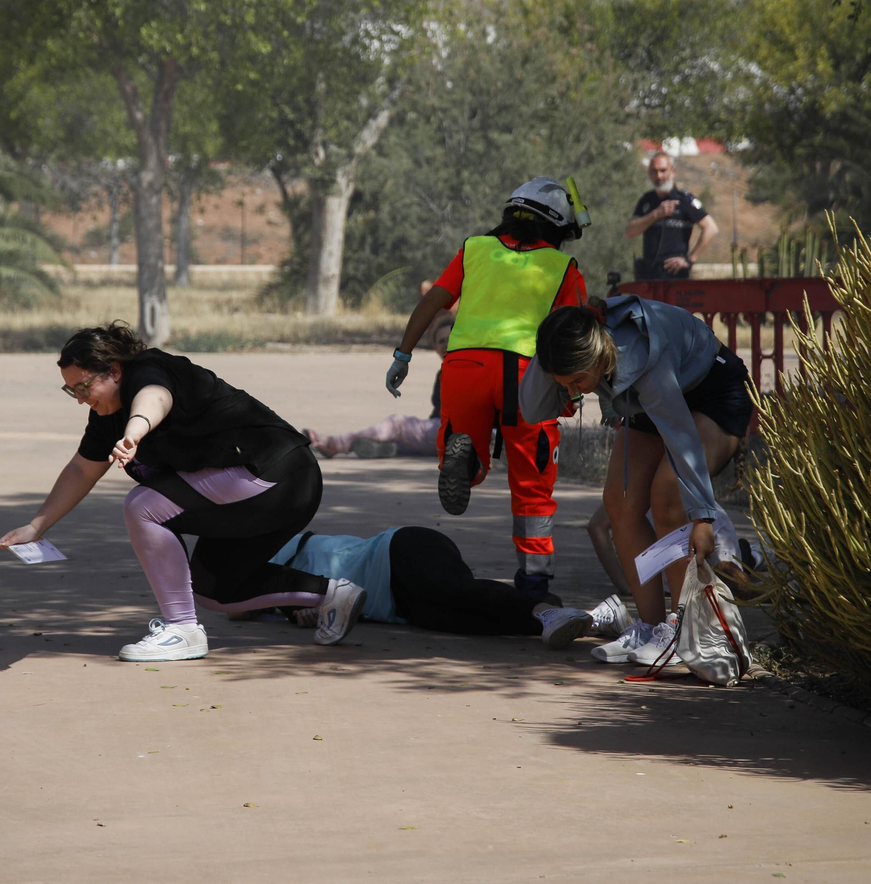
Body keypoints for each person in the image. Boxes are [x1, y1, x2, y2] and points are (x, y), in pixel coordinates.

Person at [0, 323, 368, 662]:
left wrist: (135, 431)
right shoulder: (104, 417)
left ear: (113, 370)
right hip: (265, 493)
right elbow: (81, 469)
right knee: (214, 588)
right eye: (70, 390)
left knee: (143, 507)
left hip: (279, 474)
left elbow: (155, 397)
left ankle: (182, 631)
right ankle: (334, 594)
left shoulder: (148, 369)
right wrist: (36, 526)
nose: (79, 397)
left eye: (83, 386)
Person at [521, 298, 752, 667]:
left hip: (714, 394)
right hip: (645, 401)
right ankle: (650, 626)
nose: (572, 392)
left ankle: (681, 632)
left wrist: (704, 517)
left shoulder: (644, 360)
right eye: (562, 384)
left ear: (598, 358)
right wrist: (546, 349)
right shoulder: (586, 348)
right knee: (620, 502)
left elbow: (680, 437)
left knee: (667, 497)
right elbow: (532, 409)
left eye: (577, 381)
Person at [387, 177, 589, 599]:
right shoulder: (562, 268)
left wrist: (403, 356)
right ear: (555, 228)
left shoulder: (473, 249)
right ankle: (534, 582)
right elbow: (574, 334)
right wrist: (571, 391)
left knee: (463, 451)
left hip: (464, 367)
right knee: (532, 480)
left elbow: (431, 303)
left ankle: (467, 463)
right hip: (525, 374)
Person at [242, 526, 631, 649]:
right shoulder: (275, 594)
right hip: (398, 606)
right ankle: (592, 618)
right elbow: (241, 603)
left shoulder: (287, 548)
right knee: (469, 621)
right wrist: (304, 613)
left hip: (400, 549)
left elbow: (239, 597)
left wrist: (297, 605)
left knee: (455, 594)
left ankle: (547, 611)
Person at [306, 310, 453, 458]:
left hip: (457, 432)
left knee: (397, 425)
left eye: (450, 339)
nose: (446, 344)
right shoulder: (443, 374)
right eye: (441, 341)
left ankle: (336, 443)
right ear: (435, 347)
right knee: (405, 438)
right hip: (449, 436)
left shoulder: (463, 371)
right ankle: (389, 448)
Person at [625, 151, 719, 280]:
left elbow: (711, 229)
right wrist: (656, 214)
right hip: (649, 277)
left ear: (673, 172)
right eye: (654, 171)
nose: (659, 176)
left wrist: (690, 260)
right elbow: (630, 232)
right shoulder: (646, 201)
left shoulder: (685, 200)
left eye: (663, 170)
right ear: (649, 174)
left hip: (675, 278)